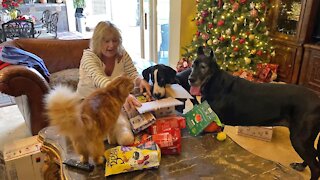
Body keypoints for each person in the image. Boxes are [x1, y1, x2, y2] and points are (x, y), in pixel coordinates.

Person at [76, 21, 151, 145]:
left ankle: (120, 130)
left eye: (115, 40)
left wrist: (140, 80)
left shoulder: (122, 54)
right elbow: (100, 80)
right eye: (106, 41)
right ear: (97, 41)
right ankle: (118, 131)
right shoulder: (88, 56)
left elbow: (132, 73)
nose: (111, 45)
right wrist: (125, 96)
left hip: (112, 103)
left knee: (135, 108)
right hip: (87, 103)